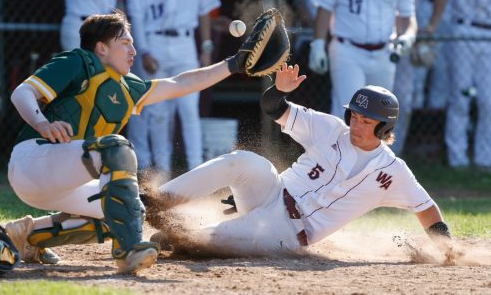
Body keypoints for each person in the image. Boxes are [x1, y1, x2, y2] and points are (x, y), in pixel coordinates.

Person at [4, 10, 252, 274]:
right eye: (125, 42)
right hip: (33, 163)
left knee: (127, 211)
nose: (133, 49)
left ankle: (28, 236)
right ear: (101, 47)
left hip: (65, 177)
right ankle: (130, 250)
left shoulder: (127, 86)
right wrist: (43, 123)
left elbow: (181, 82)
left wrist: (234, 64)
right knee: (117, 147)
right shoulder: (79, 61)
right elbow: (23, 92)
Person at [145, 63, 452, 257]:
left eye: (366, 121)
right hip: (273, 190)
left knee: (194, 241)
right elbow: (273, 107)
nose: (356, 125)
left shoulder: (393, 171)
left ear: (384, 128)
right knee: (243, 161)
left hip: (288, 232)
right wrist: (279, 90)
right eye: (354, 117)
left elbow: (426, 208)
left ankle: (175, 238)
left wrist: (446, 248)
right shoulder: (331, 129)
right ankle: (156, 202)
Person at [126, 0, 220, 181]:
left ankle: (197, 170)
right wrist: (144, 51)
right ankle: (163, 171)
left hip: (185, 42)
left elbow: (204, 11)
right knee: (158, 112)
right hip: (154, 42)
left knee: (189, 110)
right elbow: (136, 17)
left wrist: (206, 48)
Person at [308, 0, 418, 118]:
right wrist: (318, 44)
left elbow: (408, 16)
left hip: (384, 53)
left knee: (380, 114)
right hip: (347, 51)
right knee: (349, 111)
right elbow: (324, 8)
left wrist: (408, 36)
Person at [391, 0, 449, 155]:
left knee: (403, 99)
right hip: (372, 41)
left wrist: (430, 26)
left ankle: (392, 154)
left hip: (404, 41)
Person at [445, 0, 491, 170]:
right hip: (464, 28)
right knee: (460, 99)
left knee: (488, 101)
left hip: (489, 34)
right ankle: (457, 160)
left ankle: (485, 160)